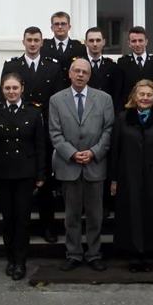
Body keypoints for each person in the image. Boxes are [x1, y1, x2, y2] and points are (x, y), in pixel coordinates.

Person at [49, 59, 115, 272]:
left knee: (95, 215)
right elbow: (55, 133)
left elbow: (109, 130)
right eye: (76, 71)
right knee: (72, 215)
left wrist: (94, 152)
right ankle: (74, 254)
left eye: (84, 72)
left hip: (95, 165)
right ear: (69, 73)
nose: (80, 75)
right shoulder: (56, 100)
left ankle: (94, 253)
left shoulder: (104, 98)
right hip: (69, 166)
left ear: (89, 75)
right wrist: (72, 153)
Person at [0, 26, 63, 244]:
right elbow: (4, 99)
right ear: (23, 41)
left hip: (44, 129)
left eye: (37, 40)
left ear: (42, 42)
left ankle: (48, 226)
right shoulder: (12, 65)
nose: (33, 44)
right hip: (19, 130)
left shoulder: (52, 67)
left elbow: (57, 99)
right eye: (29, 40)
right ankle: (20, 232)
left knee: (44, 181)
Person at [109, 80, 153, 272]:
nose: (145, 98)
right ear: (134, 97)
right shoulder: (122, 118)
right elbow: (116, 150)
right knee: (132, 214)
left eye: (149, 95)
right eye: (142, 94)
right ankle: (134, 254)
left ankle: (150, 255)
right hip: (129, 176)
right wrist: (113, 179)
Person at [0, 73, 47, 281]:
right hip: (3, 174)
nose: (11, 92)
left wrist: (41, 173)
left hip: (25, 174)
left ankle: (20, 261)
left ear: (22, 88)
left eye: (15, 88)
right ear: (2, 90)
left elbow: (40, 145)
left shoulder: (33, 112)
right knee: (8, 219)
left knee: (22, 219)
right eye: (7, 88)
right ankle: (10, 258)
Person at [84, 26, 121, 217]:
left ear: (104, 42)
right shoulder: (80, 67)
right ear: (86, 43)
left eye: (98, 40)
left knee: (105, 160)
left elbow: (117, 95)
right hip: (84, 122)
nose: (95, 44)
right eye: (91, 40)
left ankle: (106, 203)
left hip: (106, 121)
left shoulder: (112, 66)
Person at [117, 26, 153, 110]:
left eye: (140, 40)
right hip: (130, 109)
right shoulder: (122, 63)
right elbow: (120, 90)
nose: (137, 44)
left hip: (152, 109)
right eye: (134, 41)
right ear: (129, 43)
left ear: (146, 42)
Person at [42, 11, 87, 87]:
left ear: (69, 27)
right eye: (56, 24)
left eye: (63, 24)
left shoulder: (79, 47)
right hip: (49, 89)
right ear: (52, 28)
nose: (60, 27)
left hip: (71, 88)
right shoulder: (43, 47)